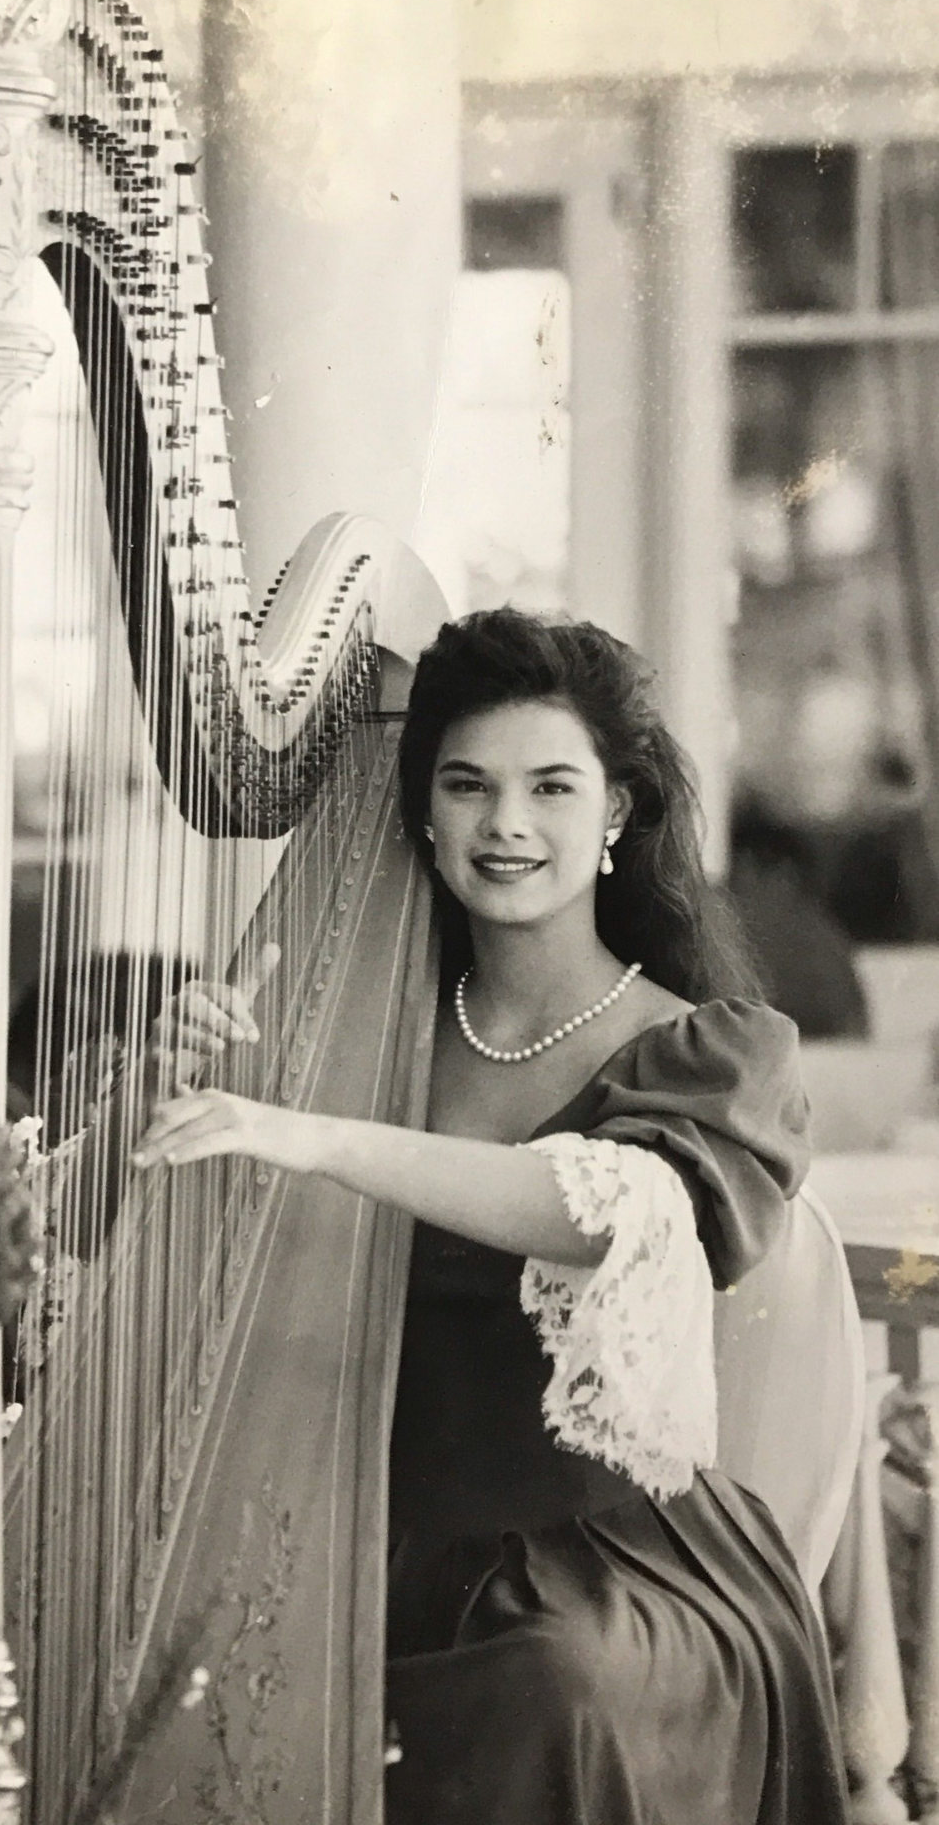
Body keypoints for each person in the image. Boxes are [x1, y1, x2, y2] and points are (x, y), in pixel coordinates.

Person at [132, 606, 849, 1824]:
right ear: (423, 809)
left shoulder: (711, 1053)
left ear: (616, 812)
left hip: (602, 1564)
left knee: (543, 1690)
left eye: (550, 786)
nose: (506, 824)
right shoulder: (338, 1029)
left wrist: (313, 1137)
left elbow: (596, 1214)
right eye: (466, 784)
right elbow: (125, 1240)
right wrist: (167, 1087)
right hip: (366, 1530)